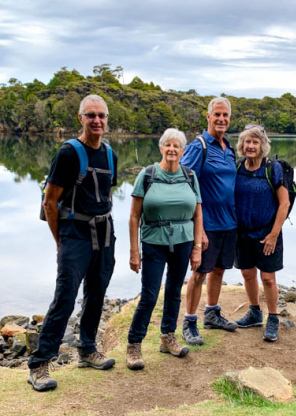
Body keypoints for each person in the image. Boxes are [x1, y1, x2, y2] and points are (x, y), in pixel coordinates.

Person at [28, 94, 118, 391]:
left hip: (105, 234)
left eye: (101, 115)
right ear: (80, 118)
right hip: (74, 235)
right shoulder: (68, 153)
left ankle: (87, 350)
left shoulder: (109, 155)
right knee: (66, 297)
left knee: (97, 292)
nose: (96, 120)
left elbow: (104, 196)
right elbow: (50, 202)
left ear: (107, 119)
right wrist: (61, 241)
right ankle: (39, 364)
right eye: (90, 115)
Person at [127, 128, 203, 370]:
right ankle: (134, 344)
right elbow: (133, 216)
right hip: (153, 241)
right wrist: (134, 251)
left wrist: (197, 247)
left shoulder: (190, 176)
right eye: (167, 145)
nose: (172, 149)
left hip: (183, 241)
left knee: (173, 291)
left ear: (182, 151)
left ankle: (167, 337)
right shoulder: (147, 175)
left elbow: (198, 214)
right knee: (149, 295)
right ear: (161, 148)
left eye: (177, 146)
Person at [180, 97, 238, 346]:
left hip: (229, 223)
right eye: (217, 115)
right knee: (199, 272)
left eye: (225, 115)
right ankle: (189, 321)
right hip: (207, 225)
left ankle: (212, 313)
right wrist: (198, 229)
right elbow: (184, 183)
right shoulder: (199, 147)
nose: (222, 119)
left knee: (219, 270)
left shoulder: (229, 147)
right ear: (208, 116)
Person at [233, 125, 290, 342]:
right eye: (247, 142)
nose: (250, 146)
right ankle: (255, 312)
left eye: (255, 142)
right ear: (241, 145)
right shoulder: (238, 167)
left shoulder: (272, 169)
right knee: (247, 274)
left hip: (268, 233)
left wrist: (274, 234)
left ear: (262, 145)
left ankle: (273, 317)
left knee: (267, 277)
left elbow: (284, 204)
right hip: (243, 233)